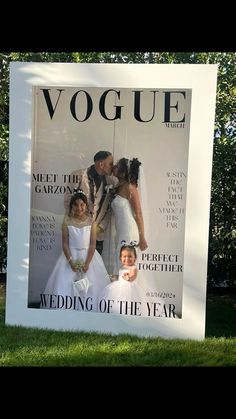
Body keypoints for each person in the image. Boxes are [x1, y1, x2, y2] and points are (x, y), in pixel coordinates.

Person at [40, 190, 110, 312]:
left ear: (86, 206)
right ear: (71, 206)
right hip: (70, 256)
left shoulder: (91, 222)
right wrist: (71, 261)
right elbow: (65, 244)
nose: (79, 207)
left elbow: (93, 244)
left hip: (88, 256)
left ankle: (89, 307)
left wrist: (87, 263)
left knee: (91, 284)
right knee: (66, 282)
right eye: (76, 205)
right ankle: (67, 306)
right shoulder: (67, 221)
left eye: (82, 204)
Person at [64, 151, 117, 255]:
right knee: (77, 264)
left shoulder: (112, 182)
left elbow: (111, 207)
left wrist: (101, 227)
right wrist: (78, 225)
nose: (113, 166)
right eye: (110, 163)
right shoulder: (78, 175)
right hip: (79, 233)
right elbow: (67, 203)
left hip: (98, 234)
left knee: (93, 267)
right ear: (101, 164)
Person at [110, 157, 148, 277]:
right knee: (119, 262)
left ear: (122, 171)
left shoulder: (130, 188)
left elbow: (138, 213)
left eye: (117, 165)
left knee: (126, 266)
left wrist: (142, 237)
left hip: (129, 231)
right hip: (120, 230)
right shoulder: (118, 187)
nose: (114, 167)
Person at [99, 243, 155, 316]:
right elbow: (120, 277)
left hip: (129, 288)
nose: (127, 259)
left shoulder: (133, 268)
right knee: (117, 300)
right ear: (120, 258)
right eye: (124, 256)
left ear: (135, 257)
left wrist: (128, 277)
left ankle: (128, 313)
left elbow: (132, 277)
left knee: (128, 302)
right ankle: (117, 312)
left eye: (130, 256)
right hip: (119, 288)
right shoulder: (122, 267)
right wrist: (115, 277)